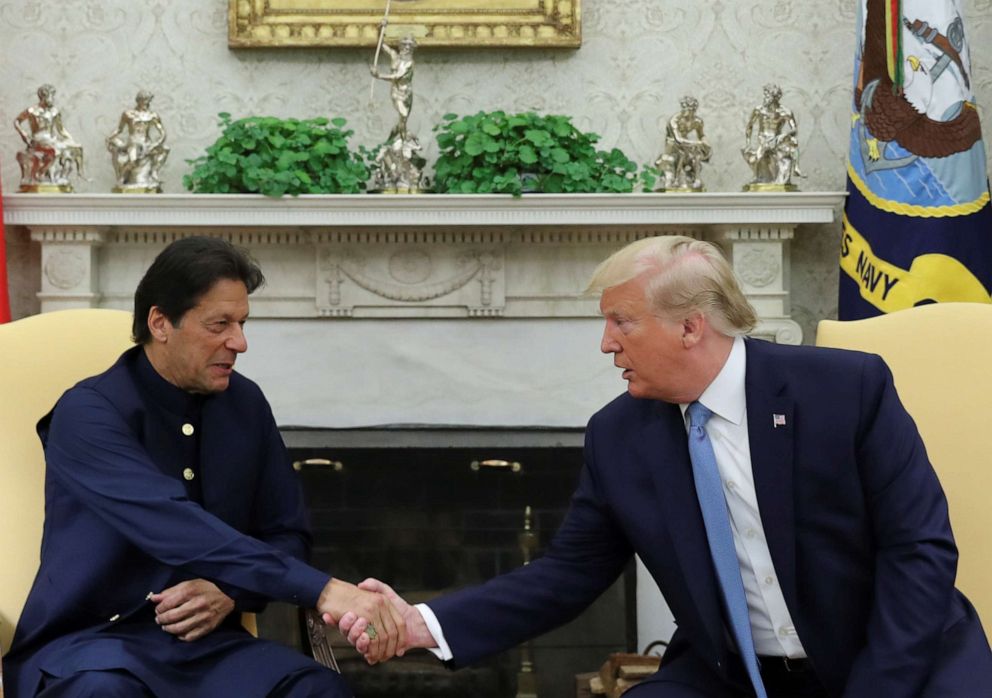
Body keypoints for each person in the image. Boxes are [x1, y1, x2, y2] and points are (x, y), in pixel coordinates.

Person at [341, 235, 992, 697]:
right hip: (731, 674)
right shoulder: (619, 436)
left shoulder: (843, 390)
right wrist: (420, 624)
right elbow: (566, 576)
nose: (605, 344)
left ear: (691, 327)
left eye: (622, 322)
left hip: (891, 659)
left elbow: (919, 552)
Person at [4, 237, 404, 697]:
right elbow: (174, 526)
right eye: (220, 325)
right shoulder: (88, 413)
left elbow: (288, 533)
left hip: (210, 651)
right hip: (88, 646)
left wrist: (231, 591)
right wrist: (324, 590)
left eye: (242, 323)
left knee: (316, 690)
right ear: (160, 323)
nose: (240, 342)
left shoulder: (246, 403)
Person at [14, 84, 85, 190]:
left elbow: (61, 130)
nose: (53, 99)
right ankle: (40, 172)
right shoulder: (32, 111)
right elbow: (17, 121)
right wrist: (23, 134)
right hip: (37, 140)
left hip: (52, 140)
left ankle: (68, 176)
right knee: (55, 150)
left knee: (76, 147)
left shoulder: (54, 111)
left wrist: (71, 140)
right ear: (43, 96)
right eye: (51, 96)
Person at [106, 90, 170, 192]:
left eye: (148, 101)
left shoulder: (153, 115)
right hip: (133, 142)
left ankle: (154, 172)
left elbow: (162, 133)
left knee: (165, 150)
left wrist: (155, 144)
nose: (147, 103)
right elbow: (120, 129)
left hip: (147, 143)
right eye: (145, 100)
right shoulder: (128, 114)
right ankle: (122, 177)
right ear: (139, 100)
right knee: (133, 160)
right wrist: (110, 138)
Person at [741, 84, 802, 189]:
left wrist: (784, 135)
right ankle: (760, 176)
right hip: (763, 139)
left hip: (777, 138)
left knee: (793, 142)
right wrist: (748, 143)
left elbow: (794, 129)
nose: (765, 98)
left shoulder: (785, 112)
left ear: (775, 97)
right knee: (758, 155)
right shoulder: (759, 110)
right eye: (765, 95)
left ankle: (795, 168)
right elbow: (749, 126)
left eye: (767, 96)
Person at [655, 95, 711, 192]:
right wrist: (697, 143)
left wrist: (706, 143)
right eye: (687, 110)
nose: (689, 113)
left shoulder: (697, 121)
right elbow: (678, 139)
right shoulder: (674, 120)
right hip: (672, 145)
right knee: (681, 154)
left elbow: (701, 135)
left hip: (686, 144)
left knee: (697, 154)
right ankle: (675, 178)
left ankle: (697, 179)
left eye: (692, 110)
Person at [370, 34, 416, 138]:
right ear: (400, 46)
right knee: (403, 116)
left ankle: (391, 140)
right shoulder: (394, 55)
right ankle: (404, 142)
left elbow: (396, 77)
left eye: (410, 46)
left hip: (407, 93)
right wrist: (380, 29)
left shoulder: (409, 63)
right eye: (404, 45)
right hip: (396, 92)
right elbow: (381, 44)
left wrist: (378, 75)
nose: (407, 48)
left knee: (402, 120)